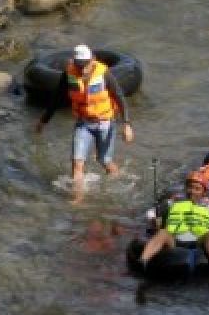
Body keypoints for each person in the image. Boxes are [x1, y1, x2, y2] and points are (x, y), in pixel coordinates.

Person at [34, 44, 134, 202]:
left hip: (105, 123)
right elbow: (56, 98)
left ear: (93, 60)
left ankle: (119, 182)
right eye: (79, 65)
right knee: (77, 163)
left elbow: (119, 96)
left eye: (85, 65)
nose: (82, 69)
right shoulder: (69, 73)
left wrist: (126, 124)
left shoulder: (104, 73)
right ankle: (78, 199)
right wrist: (43, 121)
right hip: (83, 123)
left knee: (104, 161)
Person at [139, 174, 209, 267]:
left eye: (197, 189)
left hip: (199, 241)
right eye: (190, 187)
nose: (192, 191)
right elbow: (151, 212)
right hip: (174, 240)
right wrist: (153, 219)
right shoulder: (172, 203)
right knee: (163, 232)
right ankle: (143, 261)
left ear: (204, 192)